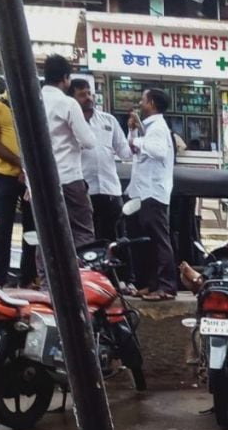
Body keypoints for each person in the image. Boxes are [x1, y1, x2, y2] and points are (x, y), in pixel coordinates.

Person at [41, 55, 97, 251]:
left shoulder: (32, 101)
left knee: (47, 235)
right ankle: (81, 277)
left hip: (41, 182)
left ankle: (48, 280)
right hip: (69, 178)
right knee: (82, 232)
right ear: (65, 78)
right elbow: (89, 142)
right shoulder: (67, 103)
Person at [126, 88, 178, 301]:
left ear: (152, 104)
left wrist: (138, 140)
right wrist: (133, 133)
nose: (140, 102)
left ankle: (166, 286)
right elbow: (132, 149)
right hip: (142, 191)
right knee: (146, 242)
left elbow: (157, 151)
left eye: (144, 100)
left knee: (158, 240)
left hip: (154, 193)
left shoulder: (158, 128)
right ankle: (151, 283)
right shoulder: (148, 128)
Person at [0, 91, 36, 288]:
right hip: (6, 175)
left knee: (32, 228)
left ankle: (29, 278)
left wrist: (28, 168)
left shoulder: (30, 106)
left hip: (29, 177)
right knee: (4, 227)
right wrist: (21, 163)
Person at [68, 79, 132, 242]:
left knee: (114, 242)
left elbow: (125, 153)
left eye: (90, 93)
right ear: (72, 99)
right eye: (82, 95)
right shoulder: (69, 124)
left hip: (110, 190)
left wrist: (133, 133)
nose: (88, 98)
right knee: (87, 240)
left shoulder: (108, 120)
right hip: (85, 192)